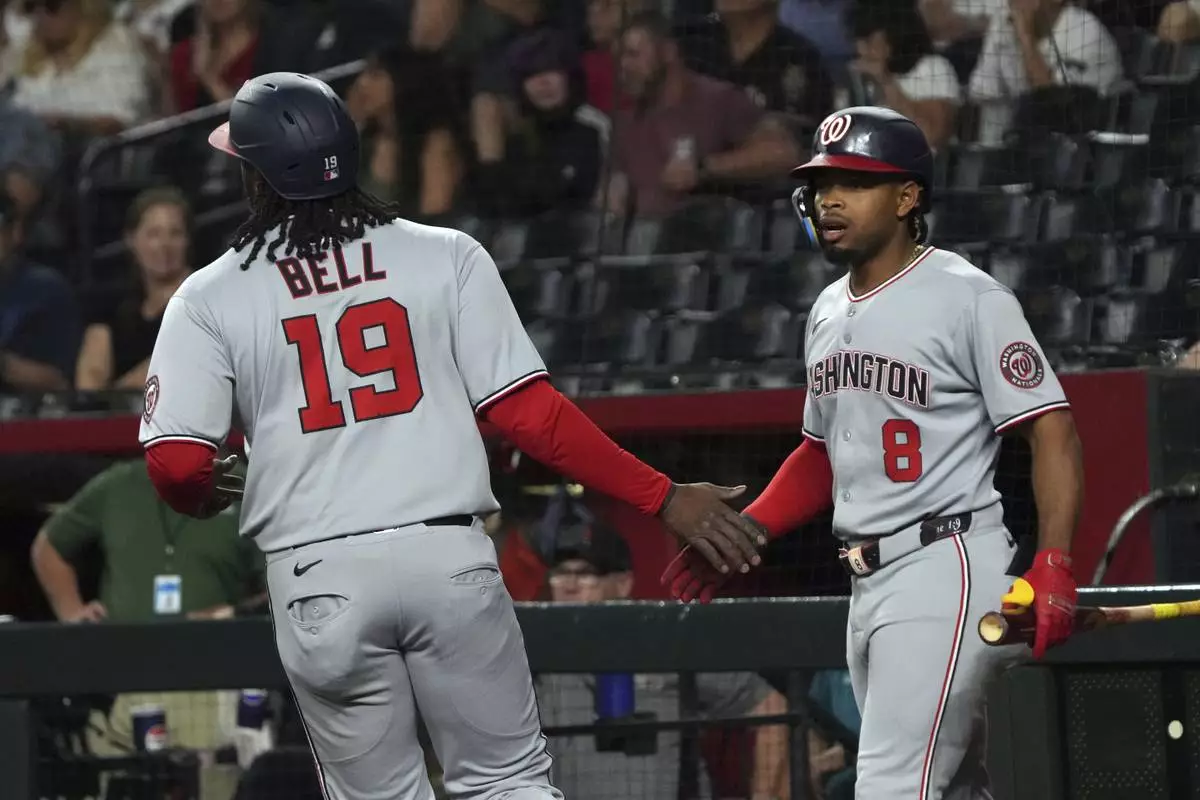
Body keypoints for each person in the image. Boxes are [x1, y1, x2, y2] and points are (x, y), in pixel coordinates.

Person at [136, 71, 765, 800]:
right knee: (508, 783)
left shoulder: (210, 294)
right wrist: (663, 496)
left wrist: (199, 494)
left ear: (257, 176)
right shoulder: (444, 253)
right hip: (447, 559)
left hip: (318, 575)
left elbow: (177, 465)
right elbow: (532, 417)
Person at [662, 106, 1086, 799]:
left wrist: (1055, 560)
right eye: (822, 184)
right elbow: (820, 453)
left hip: (944, 564)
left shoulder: (967, 297)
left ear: (907, 196)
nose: (830, 199)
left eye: (855, 183)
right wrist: (749, 530)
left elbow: (1052, 430)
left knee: (891, 786)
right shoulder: (826, 309)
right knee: (949, 787)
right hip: (868, 579)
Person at [535, 497, 790, 800]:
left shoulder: (664, 643)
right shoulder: (533, 658)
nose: (569, 584)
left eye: (585, 573)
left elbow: (771, 706)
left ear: (623, 584)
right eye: (561, 572)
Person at [606, 10, 799, 218]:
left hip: (708, 231)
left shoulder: (716, 100)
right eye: (618, 58)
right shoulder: (625, 121)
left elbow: (784, 154)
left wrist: (704, 167)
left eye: (632, 54)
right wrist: (612, 191)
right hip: (639, 234)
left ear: (668, 51)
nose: (623, 66)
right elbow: (615, 184)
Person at [75, 186, 193, 391]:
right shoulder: (112, 306)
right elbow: (89, 383)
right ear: (131, 240)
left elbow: (174, 364)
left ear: (187, 241)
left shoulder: (206, 300)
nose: (165, 245)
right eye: (153, 234)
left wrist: (115, 397)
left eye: (175, 233)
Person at [966, 0, 1122, 144]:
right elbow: (985, 95)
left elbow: (1053, 109)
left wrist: (1025, 36)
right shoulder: (1003, 23)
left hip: (1080, 148)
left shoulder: (1086, 33)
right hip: (1021, 146)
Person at [344, 45, 466, 220]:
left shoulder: (436, 143)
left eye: (375, 75)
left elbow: (435, 221)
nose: (361, 83)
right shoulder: (369, 140)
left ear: (405, 82)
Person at [846, 1, 961, 151]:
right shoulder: (863, 78)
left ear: (893, 34)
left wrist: (886, 82)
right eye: (858, 42)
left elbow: (930, 136)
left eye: (868, 40)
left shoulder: (932, 68)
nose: (861, 50)